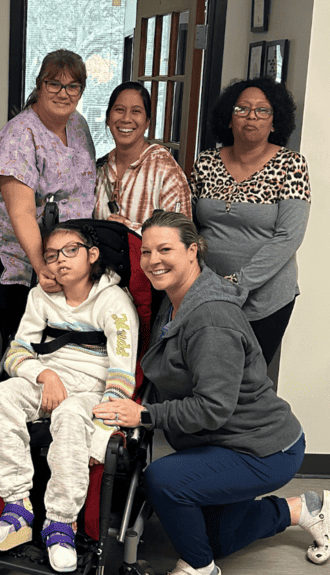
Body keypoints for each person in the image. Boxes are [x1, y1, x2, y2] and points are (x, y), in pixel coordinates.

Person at [93, 211, 328, 575]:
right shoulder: (176, 298)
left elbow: (213, 408)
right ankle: (303, 508)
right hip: (230, 440)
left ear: (193, 250)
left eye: (165, 249)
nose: (154, 261)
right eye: (147, 251)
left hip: (263, 448)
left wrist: (144, 415)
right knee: (217, 539)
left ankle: (200, 569)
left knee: (164, 480)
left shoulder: (210, 318)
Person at [0, 220, 138, 573]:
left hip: (91, 391)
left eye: (71, 251)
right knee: (2, 395)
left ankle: (61, 523)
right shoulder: (40, 296)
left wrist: (101, 432)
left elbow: (122, 375)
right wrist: (44, 373)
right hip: (48, 380)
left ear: (92, 255)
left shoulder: (115, 302)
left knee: (69, 415)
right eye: (51, 255)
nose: (60, 261)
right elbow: (17, 352)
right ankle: (17, 507)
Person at [0, 49, 96, 351]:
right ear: (39, 85)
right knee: (28, 354)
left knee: (62, 353)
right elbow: (22, 214)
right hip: (23, 268)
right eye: (53, 83)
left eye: (73, 86)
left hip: (67, 261)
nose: (63, 93)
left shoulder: (78, 125)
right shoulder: (20, 137)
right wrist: (43, 266)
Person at [190, 77, 310, 366]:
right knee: (206, 375)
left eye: (262, 110)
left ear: (275, 121)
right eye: (241, 109)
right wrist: (204, 278)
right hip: (209, 292)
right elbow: (187, 225)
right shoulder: (205, 163)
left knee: (247, 384)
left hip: (266, 300)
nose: (251, 116)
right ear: (228, 118)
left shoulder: (291, 165)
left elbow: (288, 237)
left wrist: (237, 284)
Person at [93, 81, 191, 232]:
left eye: (136, 111)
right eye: (119, 109)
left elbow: (181, 236)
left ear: (147, 123)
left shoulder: (165, 170)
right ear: (108, 119)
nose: (126, 118)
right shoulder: (100, 168)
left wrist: (128, 229)